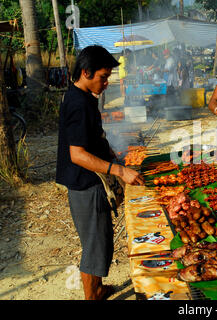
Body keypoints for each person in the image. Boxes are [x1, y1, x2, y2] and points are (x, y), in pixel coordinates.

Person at [56, 45, 145, 300]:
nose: (107, 83)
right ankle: (92, 296)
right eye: (103, 77)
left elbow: (92, 139)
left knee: (99, 242)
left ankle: (97, 289)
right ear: (86, 72)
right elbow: (77, 154)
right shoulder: (77, 103)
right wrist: (118, 170)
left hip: (87, 182)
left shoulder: (82, 97)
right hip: (85, 184)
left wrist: (113, 155)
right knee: (94, 247)